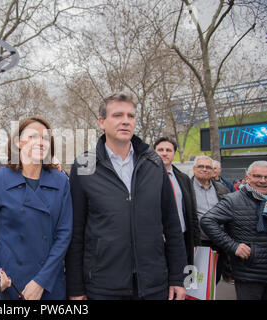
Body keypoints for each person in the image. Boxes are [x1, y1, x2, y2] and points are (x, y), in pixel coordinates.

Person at [65, 92, 187, 300]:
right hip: (103, 285)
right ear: (102, 122)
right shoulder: (84, 165)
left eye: (131, 116)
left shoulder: (154, 163)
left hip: (154, 283)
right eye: (118, 115)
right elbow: (76, 231)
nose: (125, 121)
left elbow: (172, 225)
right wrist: (76, 288)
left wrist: (178, 277)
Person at [0, 116, 73, 300]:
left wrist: (41, 282)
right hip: (10, 283)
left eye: (45, 138)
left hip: (49, 283)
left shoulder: (60, 181)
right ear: (18, 142)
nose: (40, 142)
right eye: (33, 137)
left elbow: (64, 235)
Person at [201, 161, 267, 300]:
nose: (262, 180)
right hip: (249, 273)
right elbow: (207, 221)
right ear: (247, 178)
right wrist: (233, 246)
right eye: (257, 176)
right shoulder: (233, 200)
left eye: (266, 177)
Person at [154, 137, 200, 265]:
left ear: (174, 154)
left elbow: (192, 210)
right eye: (160, 150)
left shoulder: (183, 179)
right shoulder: (145, 178)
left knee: (182, 278)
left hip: (182, 237)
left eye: (168, 150)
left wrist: (195, 240)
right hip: (157, 239)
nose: (164, 153)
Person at [191, 155, 230, 284]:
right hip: (196, 243)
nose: (205, 169)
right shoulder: (186, 188)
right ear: (194, 169)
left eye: (208, 167)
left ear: (213, 171)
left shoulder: (222, 189)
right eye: (201, 166)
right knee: (193, 282)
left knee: (214, 280)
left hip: (218, 243)